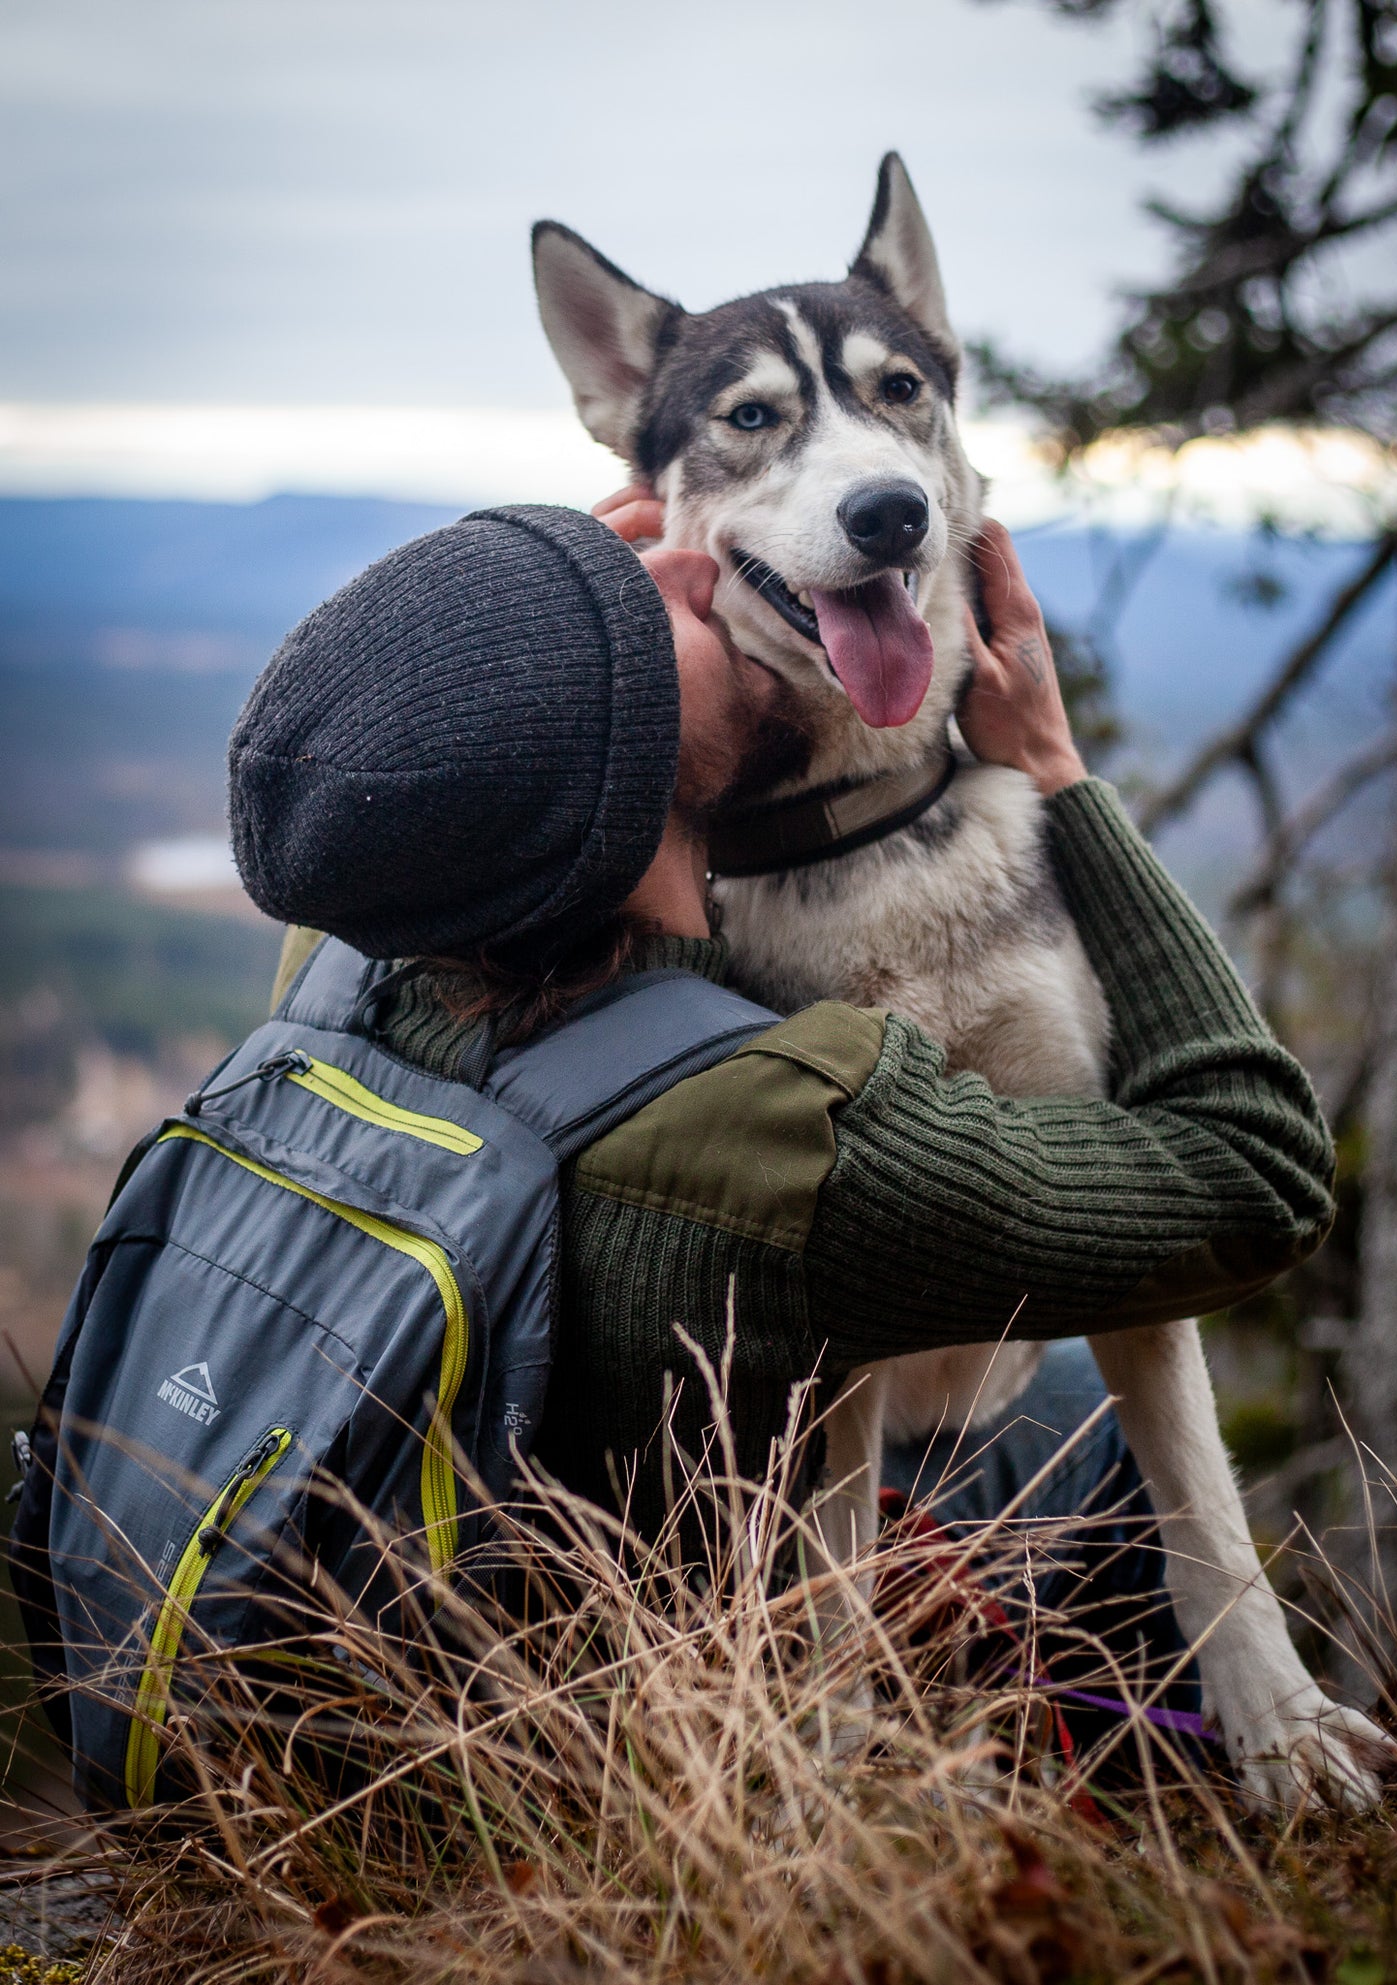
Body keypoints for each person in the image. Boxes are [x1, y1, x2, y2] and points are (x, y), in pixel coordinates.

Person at [229, 496, 1334, 1725]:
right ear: (616, 768)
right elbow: (1257, 1168)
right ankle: (1175, 1766)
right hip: (692, 1645)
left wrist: (530, 611)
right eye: (653, 610)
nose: (700, 570)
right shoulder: (785, 1143)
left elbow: (416, 759)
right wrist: (1054, 771)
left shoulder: (353, 960)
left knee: (1059, 1389)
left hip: (449, 1574)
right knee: (1092, 1431)